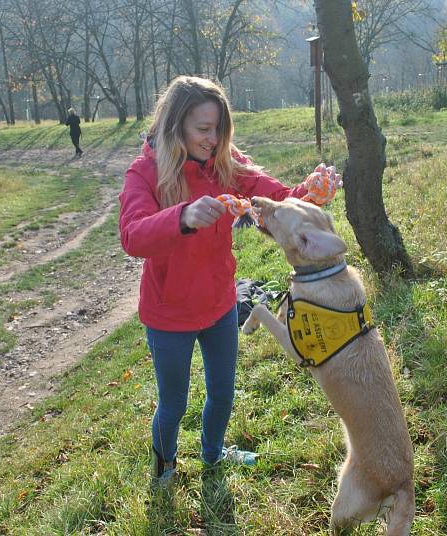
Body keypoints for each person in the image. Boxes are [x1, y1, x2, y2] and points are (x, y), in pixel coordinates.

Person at [118, 76, 316, 488]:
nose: (213, 139)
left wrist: (307, 193)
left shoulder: (225, 161)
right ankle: (164, 467)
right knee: (173, 403)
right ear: (176, 126)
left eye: (219, 128)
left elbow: (273, 195)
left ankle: (212, 454)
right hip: (169, 315)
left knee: (223, 393)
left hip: (220, 305)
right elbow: (132, 235)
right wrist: (183, 217)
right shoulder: (145, 172)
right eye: (203, 129)